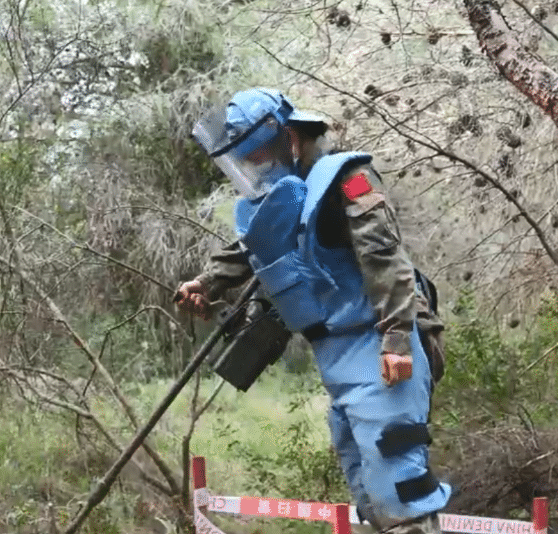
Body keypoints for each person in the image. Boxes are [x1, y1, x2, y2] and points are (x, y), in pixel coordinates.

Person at [175, 87, 450, 534]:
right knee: (369, 498)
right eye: (248, 160)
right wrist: (207, 283)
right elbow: (252, 247)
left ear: (290, 137)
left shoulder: (347, 179)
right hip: (339, 355)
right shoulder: (286, 195)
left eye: (261, 154)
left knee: (400, 487)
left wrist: (397, 339)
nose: (257, 166)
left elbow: (385, 258)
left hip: (380, 342)